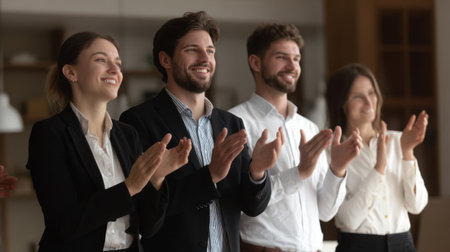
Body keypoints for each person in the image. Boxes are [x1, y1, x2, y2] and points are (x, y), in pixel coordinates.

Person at [120, 11, 284, 252]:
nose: (204, 58)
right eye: (191, 50)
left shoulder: (232, 124)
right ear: (165, 60)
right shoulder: (138, 121)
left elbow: (253, 207)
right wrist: (210, 176)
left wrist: (257, 172)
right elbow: (145, 213)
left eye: (210, 51)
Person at [27, 32, 191, 252]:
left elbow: (149, 227)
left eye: (118, 63)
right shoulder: (49, 134)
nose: (115, 70)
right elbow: (65, 223)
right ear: (71, 72)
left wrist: (156, 178)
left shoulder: (127, 134)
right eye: (101, 60)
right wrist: (130, 186)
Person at [229, 23, 363, 252]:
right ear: (256, 63)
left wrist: (337, 170)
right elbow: (238, 205)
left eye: (297, 59)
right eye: (282, 57)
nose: (292, 66)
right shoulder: (235, 123)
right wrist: (299, 173)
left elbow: (326, 211)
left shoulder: (309, 128)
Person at [325, 63, 429, 252]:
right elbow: (346, 220)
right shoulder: (332, 150)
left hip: (403, 244)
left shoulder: (399, 140)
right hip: (357, 246)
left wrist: (407, 153)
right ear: (342, 102)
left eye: (371, 93)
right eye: (358, 96)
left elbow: (417, 206)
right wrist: (378, 170)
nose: (369, 102)